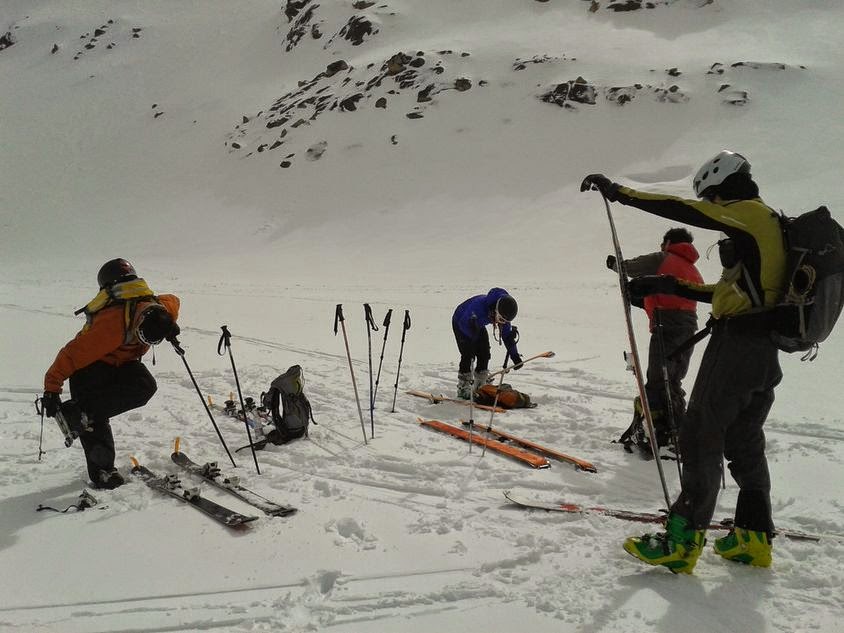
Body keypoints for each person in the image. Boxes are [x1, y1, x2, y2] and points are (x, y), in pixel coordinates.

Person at [582, 150, 787, 573]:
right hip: (764, 350)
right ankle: (753, 538)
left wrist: (619, 193)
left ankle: (681, 541)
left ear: (721, 188)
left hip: (737, 344)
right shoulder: (770, 225)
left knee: (699, 435)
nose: (710, 206)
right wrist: (668, 284)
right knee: (744, 441)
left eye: (711, 198)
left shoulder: (748, 213)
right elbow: (730, 292)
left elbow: (681, 209)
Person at [42, 259, 181, 489]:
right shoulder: (112, 324)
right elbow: (71, 355)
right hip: (88, 370)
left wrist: (169, 321)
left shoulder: (158, 306)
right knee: (92, 419)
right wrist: (51, 389)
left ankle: (83, 413)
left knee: (144, 385)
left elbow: (174, 300)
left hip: (121, 365)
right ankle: (102, 470)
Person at [609, 227, 703, 454]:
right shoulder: (692, 269)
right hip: (689, 327)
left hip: (666, 326)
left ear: (669, 242)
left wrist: (614, 264)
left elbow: (629, 268)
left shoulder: (663, 258)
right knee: (673, 380)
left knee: (658, 380)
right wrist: (643, 301)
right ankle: (677, 430)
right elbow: (672, 296)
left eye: (664, 242)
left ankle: (659, 434)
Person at [452, 288, 523, 399]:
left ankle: (481, 383)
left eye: (505, 321)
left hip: (477, 324)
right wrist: (471, 339)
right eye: (500, 319)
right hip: (461, 321)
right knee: (468, 354)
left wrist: (515, 356)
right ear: (496, 311)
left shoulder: (503, 312)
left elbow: (507, 336)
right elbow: (462, 323)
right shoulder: (478, 308)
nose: (501, 323)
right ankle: (463, 386)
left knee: (484, 352)